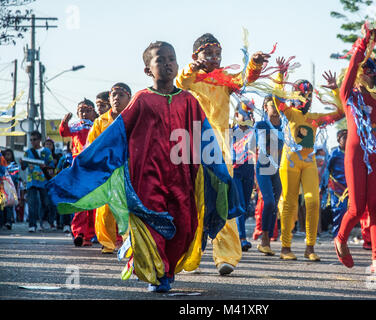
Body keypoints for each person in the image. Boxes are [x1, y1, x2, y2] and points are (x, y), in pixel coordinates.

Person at [47, 41, 235, 293]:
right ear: (148, 70)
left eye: (171, 58)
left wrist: (220, 171)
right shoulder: (141, 100)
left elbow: (206, 138)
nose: (167, 63)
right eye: (160, 59)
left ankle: (165, 269)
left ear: (177, 64)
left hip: (182, 178)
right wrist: (82, 165)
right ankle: (158, 275)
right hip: (147, 179)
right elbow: (114, 137)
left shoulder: (189, 101)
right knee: (152, 225)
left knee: (185, 227)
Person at [176, 32, 270, 275]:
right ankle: (191, 255)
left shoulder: (225, 79)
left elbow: (243, 80)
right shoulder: (190, 79)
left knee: (222, 198)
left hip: (220, 146)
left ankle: (226, 256)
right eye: (209, 53)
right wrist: (190, 68)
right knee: (195, 200)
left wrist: (255, 65)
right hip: (193, 144)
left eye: (218, 54)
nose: (215, 58)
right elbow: (180, 82)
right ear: (195, 56)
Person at [334, 25, 376, 274]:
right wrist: (363, 43)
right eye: (366, 69)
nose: (370, 73)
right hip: (355, 151)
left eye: (373, 70)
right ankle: (340, 239)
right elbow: (352, 66)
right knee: (356, 208)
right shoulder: (348, 95)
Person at [273, 58, 344, 262]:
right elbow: (276, 98)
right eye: (302, 94)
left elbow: (339, 113)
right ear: (295, 96)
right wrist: (280, 75)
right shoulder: (288, 112)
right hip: (290, 163)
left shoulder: (314, 118)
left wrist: (334, 90)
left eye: (309, 94)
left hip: (309, 162)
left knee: (313, 201)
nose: (306, 97)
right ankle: (285, 248)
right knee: (289, 202)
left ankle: (309, 247)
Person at [87, 82, 132, 254]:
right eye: (113, 95)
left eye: (121, 95)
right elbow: (91, 146)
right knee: (105, 209)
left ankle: (129, 242)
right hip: (106, 171)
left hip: (128, 170)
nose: (116, 99)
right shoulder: (100, 122)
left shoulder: (133, 118)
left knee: (127, 208)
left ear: (129, 98)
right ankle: (107, 243)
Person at [59, 99, 97, 246]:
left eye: (87, 110)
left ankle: (92, 234)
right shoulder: (75, 126)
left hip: (93, 168)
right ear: (77, 112)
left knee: (94, 202)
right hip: (79, 168)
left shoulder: (97, 125)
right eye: (81, 110)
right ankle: (79, 233)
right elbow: (63, 132)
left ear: (93, 112)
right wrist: (64, 121)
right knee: (79, 202)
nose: (84, 113)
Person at [254, 96, 283, 256]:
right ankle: (264, 238)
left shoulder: (285, 125)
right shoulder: (261, 125)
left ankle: (269, 241)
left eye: (279, 105)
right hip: (263, 168)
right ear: (265, 107)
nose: (277, 108)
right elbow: (260, 143)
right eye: (273, 105)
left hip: (277, 170)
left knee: (274, 206)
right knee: (269, 201)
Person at [232, 102, 256, 252]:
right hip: (234, 171)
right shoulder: (229, 130)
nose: (247, 117)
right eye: (244, 114)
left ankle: (235, 233)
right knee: (239, 204)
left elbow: (257, 148)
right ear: (236, 115)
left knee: (245, 206)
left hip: (248, 170)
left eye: (250, 114)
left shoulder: (254, 132)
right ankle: (242, 238)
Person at [20, 131, 54, 232]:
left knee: (45, 203)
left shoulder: (47, 151)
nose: (32, 142)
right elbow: (23, 167)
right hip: (31, 182)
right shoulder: (28, 152)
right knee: (32, 204)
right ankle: (32, 225)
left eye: (34, 139)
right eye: (31, 140)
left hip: (44, 181)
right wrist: (22, 163)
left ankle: (43, 222)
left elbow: (52, 165)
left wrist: (46, 166)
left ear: (39, 140)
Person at [326, 129, 348, 238]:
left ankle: (343, 235)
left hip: (350, 188)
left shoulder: (353, 152)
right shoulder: (335, 153)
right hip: (337, 188)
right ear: (339, 140)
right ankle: (337, 236)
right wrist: (324, 185)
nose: (347, 140)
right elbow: (327, 169)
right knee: (339, 210)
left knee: (349, 212)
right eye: (345, 138)